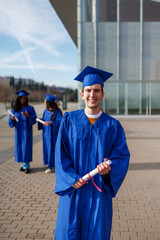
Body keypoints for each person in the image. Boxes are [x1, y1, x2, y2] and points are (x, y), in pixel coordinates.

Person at [54, 66, 130, 240]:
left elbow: (121, 156)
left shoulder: (113, 126)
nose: (92, 94)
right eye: (88, 90)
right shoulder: (69, 121)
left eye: (96, 90)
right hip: (74, 189)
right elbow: (60, 154)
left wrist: (109, 170)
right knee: (68, 232)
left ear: (102, 94)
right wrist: (71, 179)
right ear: (82, 94)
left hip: (98, 194)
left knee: (97, 233)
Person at [8, 90, 37, 173]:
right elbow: (11, 122)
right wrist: (12, 119)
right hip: (18, 132)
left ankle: (26, 166)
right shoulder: (15, 109)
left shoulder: (30, 108)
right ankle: (22, 165)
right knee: (19, 147)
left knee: (26, 147)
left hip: (27, 132)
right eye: (21, 99)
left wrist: (28, 117)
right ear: (18, 99)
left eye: (24, 98)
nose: (23, 100)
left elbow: (34, 119)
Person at [37, 94, 62, 173]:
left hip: (53, 135)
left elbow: (60, 122)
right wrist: (40, 120)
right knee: (47, 149)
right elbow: (44, 120)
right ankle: (50, 165)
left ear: (49, 103)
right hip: (46, 134)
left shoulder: (57, 112)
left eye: (45, 102)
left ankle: (52, 166)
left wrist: (51, 122)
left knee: (53, 150)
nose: (44, 103)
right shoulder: (45, 111)